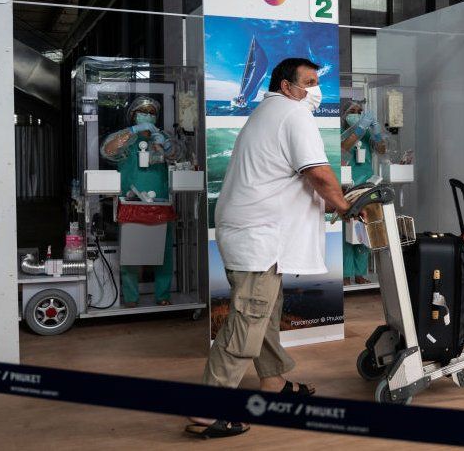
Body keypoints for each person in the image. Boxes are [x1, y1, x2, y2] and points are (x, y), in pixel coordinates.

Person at [187, 58, 353, 439]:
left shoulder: (269, 111)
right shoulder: (293, 115)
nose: (316, 90)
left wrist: (337, 202)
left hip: (248, 231)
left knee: (263, 312)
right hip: (256, 236)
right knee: (249, 317)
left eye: (317, 82)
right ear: (285, 86)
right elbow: (318, 172)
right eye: (308, 83)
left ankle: (274, 383)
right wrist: (346, 207)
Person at [100, 96, 183, 307]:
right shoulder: (126, 137)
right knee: (131, 253)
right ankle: (130, 298)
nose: (148, 116)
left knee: (163, 253)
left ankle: (163, 295)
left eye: (151, 113)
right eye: (143, 112)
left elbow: (177, 155)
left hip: (161, 201)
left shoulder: (163, 136)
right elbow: (107, 150)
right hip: (131, 200)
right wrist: (135, 132)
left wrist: (162, 143)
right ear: (134, 115)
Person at [340, 100, 387, 286]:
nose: (357, 114)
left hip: (366, 185)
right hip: (347, 185)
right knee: (347, 231)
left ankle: (360, 273)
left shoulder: (367, 131)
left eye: (360, 111)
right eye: (353, 111)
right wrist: (359, 128)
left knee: (363, 229)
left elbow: (382, 150)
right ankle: (344, 274)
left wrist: (375, 130)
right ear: (344, 115)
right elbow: (345, 147)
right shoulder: (342, 132)